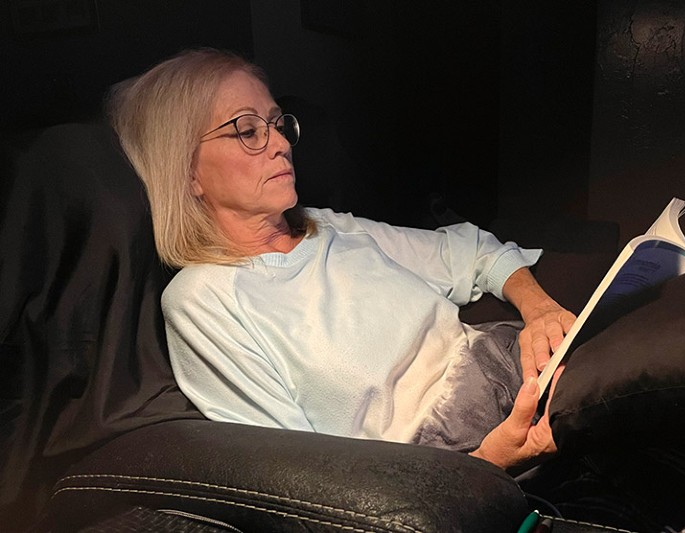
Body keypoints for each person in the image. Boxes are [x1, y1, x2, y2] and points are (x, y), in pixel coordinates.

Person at [108, 48, 576, 473]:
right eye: (248, 130)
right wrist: (485, 466)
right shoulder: (202, 299)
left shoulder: (324, 227)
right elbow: (299, 475)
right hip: (450, 463)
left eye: (277, 123)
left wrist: (539, 310)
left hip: (508, 363)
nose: (280, 144)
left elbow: (472, 252)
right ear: (189, 174)